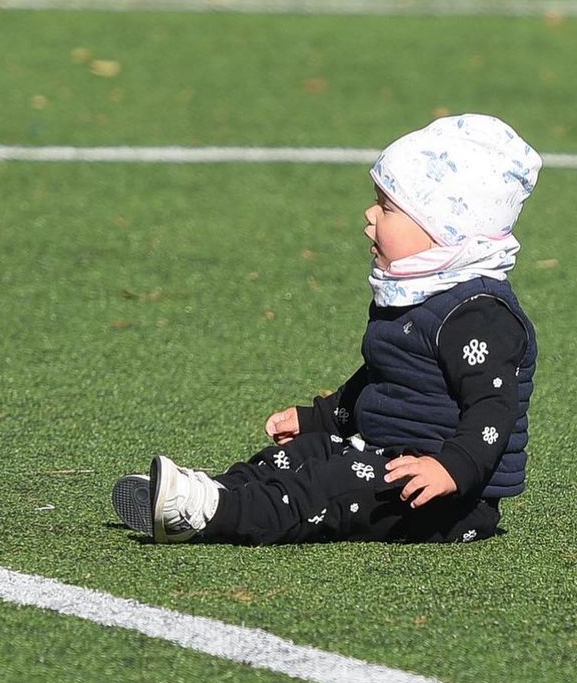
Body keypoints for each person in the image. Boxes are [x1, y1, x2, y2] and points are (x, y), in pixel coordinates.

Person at [112, 114, 541, 546]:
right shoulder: (417, 294)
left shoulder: (478, 314)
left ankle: (211, 514)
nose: (370, 215)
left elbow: (493, 409)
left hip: (446, 499)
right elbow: (383, 379)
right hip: (386, 456)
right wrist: (319, 419)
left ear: (445, 230)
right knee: (301, 456)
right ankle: (221, 489)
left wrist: (451, 469)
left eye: (389, 207)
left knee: (327, 486)